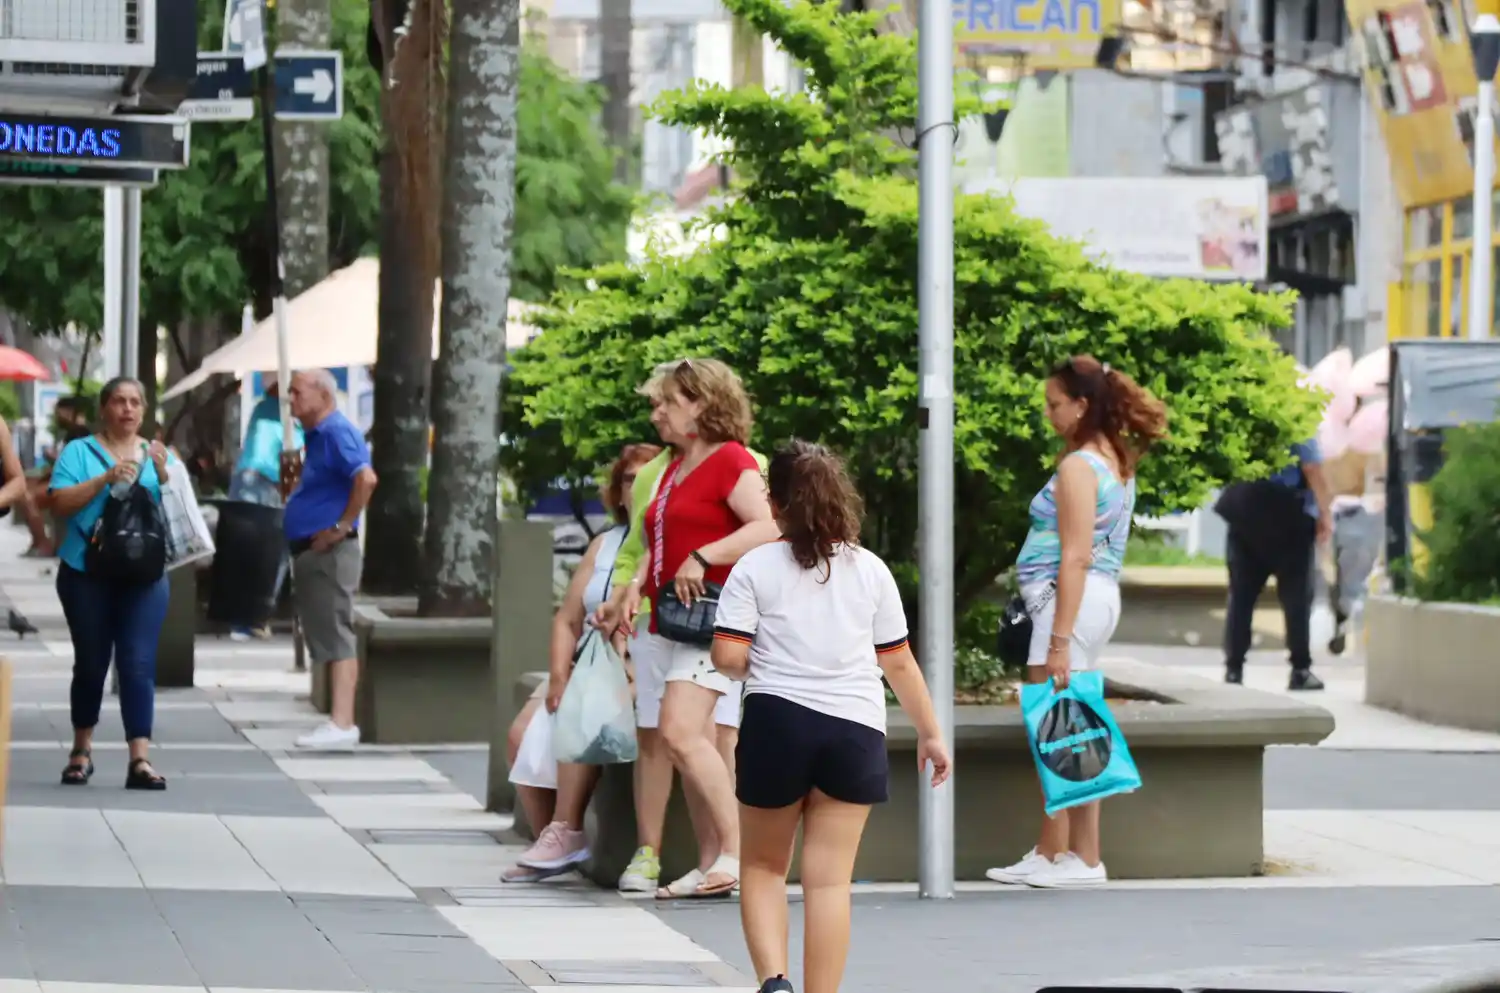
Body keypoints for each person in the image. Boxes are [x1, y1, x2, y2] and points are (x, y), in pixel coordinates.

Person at [711, 441, 950, 993]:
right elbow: (898, 662)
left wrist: (763, 658)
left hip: (777, 724)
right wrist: (931, 734)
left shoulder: (754, 567)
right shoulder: (871, 570)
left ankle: (775, 983)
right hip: (855, 730)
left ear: (776, 505)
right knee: (829, 883)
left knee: (764, 867)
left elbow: (726, 657)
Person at [601, 358, 780, 899]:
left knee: (681, 733)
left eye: (668, 402)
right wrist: (634, 588)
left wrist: (705, 556)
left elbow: (769, 526)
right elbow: (657, 542)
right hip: (672, 620)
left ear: (701, 404)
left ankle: (738, 854)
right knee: (685, 740)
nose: (657, 413)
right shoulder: (675, 466)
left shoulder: (730, 460)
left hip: (714, 620)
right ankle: (718, 860)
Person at [986, 355, 1167, 889]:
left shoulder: (1080, 467)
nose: (1049, 414)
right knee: (1068, 723)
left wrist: (1059, 640)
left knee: (1059, 726)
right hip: (1088, 601)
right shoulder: (1114, 459)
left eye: (1055, 404)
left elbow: (1075, 556)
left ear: (1082, 405)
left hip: (1069, 604)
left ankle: (1073, 857)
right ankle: (1064, 853)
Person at [501, 443, 661, 882]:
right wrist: (557, 676)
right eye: (629, 480)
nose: (637, 488)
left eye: (646, 479)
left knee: (585, 710)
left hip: (635, 666)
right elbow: (567, 619)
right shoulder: (603, 544)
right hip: (587, 661)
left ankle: (566, 828)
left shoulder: (666, 543)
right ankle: (551, 841)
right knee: (521, 733)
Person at [48, 377, 176, 790]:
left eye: (135, 402)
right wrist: (105, 479)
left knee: (138, 663)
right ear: (104, 408)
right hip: (87, 573)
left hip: (144, 575)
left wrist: (165, 477)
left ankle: (140, 758)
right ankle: (81, 750)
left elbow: (178, 514)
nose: (128, 409)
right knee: (91, 663)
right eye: (119, 401)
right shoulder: (79, 451)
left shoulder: (158, 455)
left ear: (144, 410)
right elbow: (58, 502)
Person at [282, 369, 378, 750]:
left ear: (323, 395)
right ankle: (339, 720)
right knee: (327, 632)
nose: (290, 398)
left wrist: (341, 526)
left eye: (297, 391)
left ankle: (342, 722)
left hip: (331, 551)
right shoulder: (317, 437)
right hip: (313, 550)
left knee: (337, 633)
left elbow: (366, 479)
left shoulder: (337, 431)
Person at [1216, 438, 1333, 690]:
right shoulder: (1298, 424)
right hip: (1287, 515)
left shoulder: (1246, 421)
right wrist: (1325, 513)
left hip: (1244, 509)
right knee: (1296, 597)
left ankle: (1234, 668)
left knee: (1241, 596)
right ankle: (1300, 669)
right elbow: (1311, 467)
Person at [228, 381, 304, 641]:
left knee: (254, 551)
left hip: (256, 483)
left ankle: (249, 617)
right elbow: (264, 459)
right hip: (263, 484)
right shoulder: (274, 414)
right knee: (270, 551)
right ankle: (253, 616)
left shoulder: (281, 417)